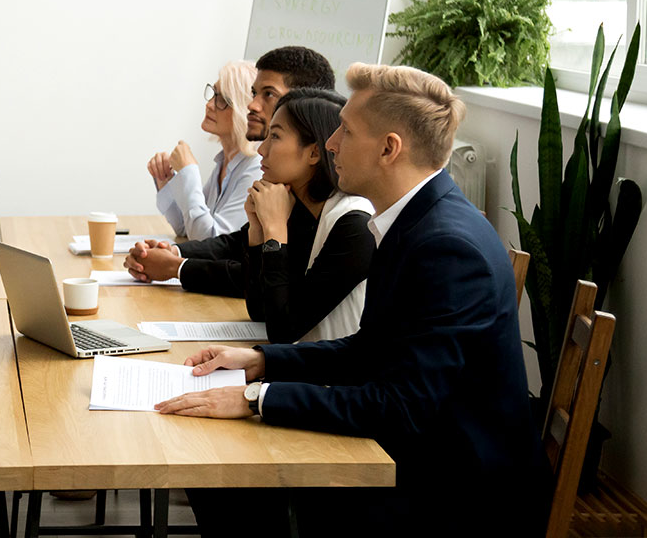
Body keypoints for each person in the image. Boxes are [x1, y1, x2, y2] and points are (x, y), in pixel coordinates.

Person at [153, 64, 546, 538]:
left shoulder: (446, 247)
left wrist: (257, 398)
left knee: (231, 478)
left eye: (346, 130)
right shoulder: (414, 221)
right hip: (422, 458)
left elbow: (400, 407)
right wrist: (260, 361)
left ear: (389, 148)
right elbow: (370, 348)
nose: (332, 142)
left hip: (456, 493)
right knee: (224, 470)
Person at [131, 89, 375, 343]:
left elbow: (282, 331)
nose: (262, 150)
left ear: (314, 153)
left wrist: (275, 233)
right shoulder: (302, 209)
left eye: (276, 137)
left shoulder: (354, 225)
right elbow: (260, 311)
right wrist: (258, 231)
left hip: (331, 381)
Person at [126, 46, 337, 295]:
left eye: (268, 94)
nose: (252, 105)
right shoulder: (284, 184)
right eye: (253, 93)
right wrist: (173, 253)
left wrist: (177, 266)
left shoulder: (339, 216)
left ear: (306, 102)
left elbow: (264, 290)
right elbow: (234, 243)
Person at [147, 61, 261, 240]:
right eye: (213, 94)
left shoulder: (255, 170)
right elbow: (187, 228)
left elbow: (210, 240)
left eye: (223, 100)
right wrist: (166, 179)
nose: (209, 105)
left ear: (243, 110)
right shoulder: (226, 161)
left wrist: (189, 172)